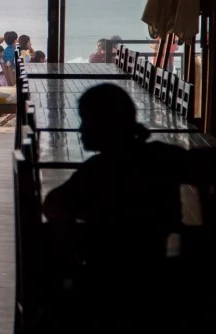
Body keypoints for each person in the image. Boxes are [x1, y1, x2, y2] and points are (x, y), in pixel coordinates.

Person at [42, 84, 187, 275]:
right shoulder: (162, 156)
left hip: (107, 274)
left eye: (86, 120)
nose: (81, 128)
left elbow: (53, 203)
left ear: (104, 125)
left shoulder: (96, 170)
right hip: (155, 267)